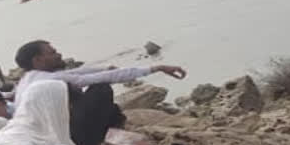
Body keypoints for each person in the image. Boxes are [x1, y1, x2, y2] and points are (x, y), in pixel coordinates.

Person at [12, 40, 186, 103]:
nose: (59, 55)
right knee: (100, 88)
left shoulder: (28, 79)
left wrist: (104, 67)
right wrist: (158, 67)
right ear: (38, 60)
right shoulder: (50, 79)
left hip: (42, 135)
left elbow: (79, 72)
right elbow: (102, 78)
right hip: (57, 138)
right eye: (53, 53)